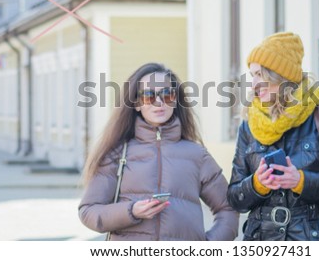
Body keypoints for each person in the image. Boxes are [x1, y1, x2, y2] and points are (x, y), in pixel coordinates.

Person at [79, 63, 239, 241]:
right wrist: (131, 211)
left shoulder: (197, 155)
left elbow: (228, 209)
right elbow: (89, 212)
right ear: (136, 104)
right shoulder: (117, 155)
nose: (159, 102)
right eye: (148, 96)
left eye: (167, 95)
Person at [227, 32, 319, 241]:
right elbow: (234, 198)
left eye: (260, 75)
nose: (253, 84)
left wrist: (301, 181)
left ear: (281, 76)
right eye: (252, 75)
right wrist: (257, 184)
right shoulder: (248, 125)